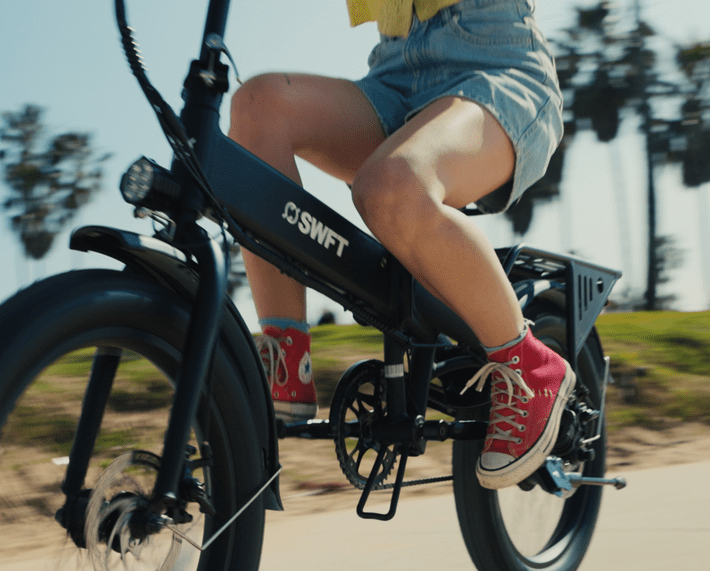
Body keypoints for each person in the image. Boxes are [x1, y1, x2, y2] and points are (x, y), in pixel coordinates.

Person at [228, 0, 571, 491]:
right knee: (258, 106)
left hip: (497, 65)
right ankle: (286, 358)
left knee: (390, 187)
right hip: (394, 74)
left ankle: (531, 364)